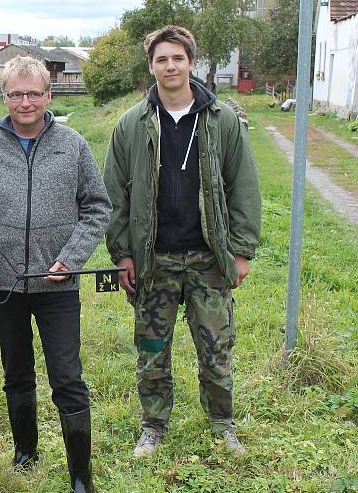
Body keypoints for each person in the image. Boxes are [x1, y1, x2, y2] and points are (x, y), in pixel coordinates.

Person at [0, 55, 111, 493]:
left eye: (34, 93)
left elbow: (97, 208)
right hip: (4, 284)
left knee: (67, 375)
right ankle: (25, 450)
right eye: (16, 94)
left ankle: (81, 473)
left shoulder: (73, 145)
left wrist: (73, 257)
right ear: (4, 97)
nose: (25, 102)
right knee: (16, 369)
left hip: (57, 283)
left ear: (49, 95)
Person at [103, 25, 261, 458]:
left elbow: (243, 185)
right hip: (154, 258)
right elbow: (114, 193)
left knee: (216, 349)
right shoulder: (131, 124)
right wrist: (122, 254)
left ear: (190, 62)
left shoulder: (221, 119)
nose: (170, 66)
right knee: (152, 350)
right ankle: (153, 426)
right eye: (161, 59)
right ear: (150, 66)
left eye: (177, 58)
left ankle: (223, 424)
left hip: (209, 258)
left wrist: (242, 251)